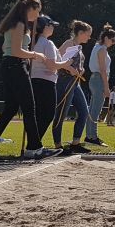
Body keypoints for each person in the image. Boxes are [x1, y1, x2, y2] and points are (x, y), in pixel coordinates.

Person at [0, 0, 61, 160]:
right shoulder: (19, 24)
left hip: (11, 65)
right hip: (16, 66)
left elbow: (6, 47)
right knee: (29, 108)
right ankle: (35, 148)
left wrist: (27, 55)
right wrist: (35, 55)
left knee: (10, 109)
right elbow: (17, 51)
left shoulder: (15, 24)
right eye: (37, 11)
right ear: (29, 8)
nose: (38, 15)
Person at [29, 15, 78, 144]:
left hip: (34, 80)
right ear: (45, 27)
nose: (53, 28)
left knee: (38, 114)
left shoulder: (33, 42)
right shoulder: (47, 43)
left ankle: (33, 144)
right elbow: (52, 66)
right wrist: (66, 63)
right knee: (47, 115)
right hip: (46, 82)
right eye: (51, 26)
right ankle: (34, 144)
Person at [51, 20, 94, 155]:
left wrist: (81, 70)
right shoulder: (68, 43)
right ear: (80, 33)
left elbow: (77, 64)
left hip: (75, 83)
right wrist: (70, 69)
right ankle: (58, 146)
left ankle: (75, 143)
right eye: (88, 34)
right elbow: (57, 60)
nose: (89, 37)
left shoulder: (79, 47)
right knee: (61, 113)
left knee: (84, 111)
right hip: (65, 82)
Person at [85, 23, 115, 146]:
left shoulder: (96, 46)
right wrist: (106, 87)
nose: (113, 43)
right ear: (106, 38)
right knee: (96, 110)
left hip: (94, 78)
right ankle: (93, 136)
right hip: (99, 79)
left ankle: (89, 135)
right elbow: (103, 70)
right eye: (112, 40)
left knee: (92, 109)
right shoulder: (102, 49)